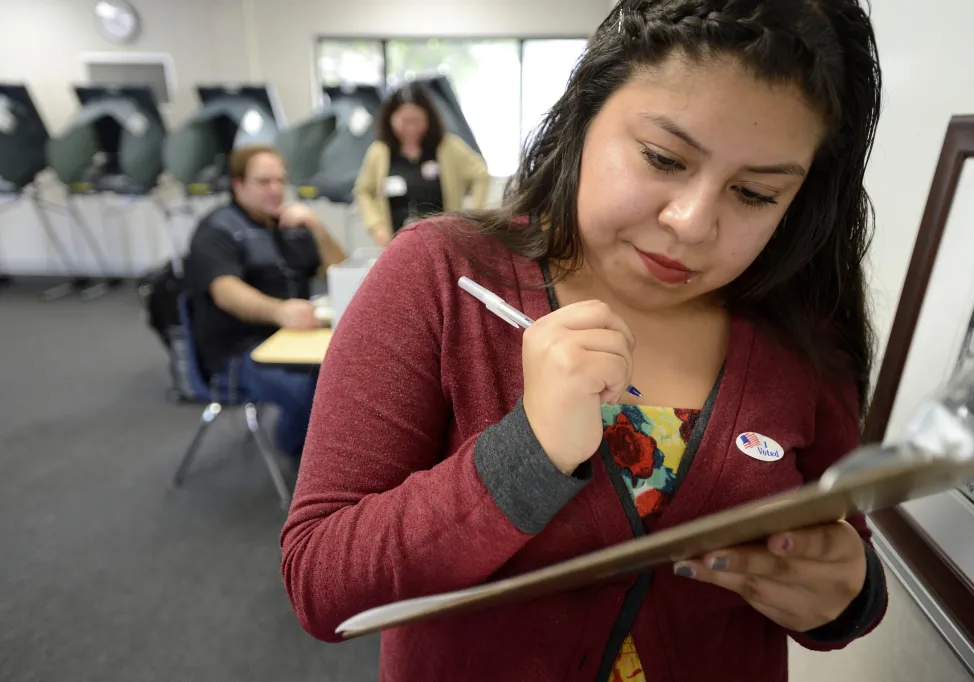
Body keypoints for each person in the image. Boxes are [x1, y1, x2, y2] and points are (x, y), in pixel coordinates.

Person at [281, 0, 888, 680]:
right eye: (662, 158)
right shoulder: (445, 276)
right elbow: (320, 582)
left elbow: (838, 546)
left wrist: (848, 596)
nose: (691, 223)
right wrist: (528, 453)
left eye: (753, 194)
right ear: (584, 113)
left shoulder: (801, 333)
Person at [184, 144, 346, 459]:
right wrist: (279, 312)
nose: (275, 190)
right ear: (238, 184)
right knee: (315, 394)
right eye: (263, 182)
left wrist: (317, 226)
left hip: (294, 341)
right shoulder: (217, 230)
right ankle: (298, 452)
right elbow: (225, 289)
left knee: (353, 373)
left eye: (279, 181)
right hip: (240, 353)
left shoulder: (290, 225)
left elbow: (338, 269)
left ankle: (327, 451)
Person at [353, 82, 490, 247]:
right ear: (390, 119)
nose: (411, 128)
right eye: (404, 121)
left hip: (441, 242)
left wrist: (470, 219)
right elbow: (363, 190)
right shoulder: (379, 152)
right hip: (396, 243)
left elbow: (481, 174)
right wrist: (376, 226)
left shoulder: (448, 147)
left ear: (428, 118)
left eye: (416, 120)